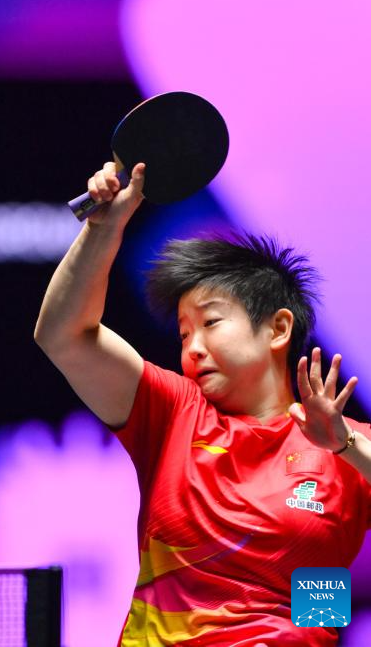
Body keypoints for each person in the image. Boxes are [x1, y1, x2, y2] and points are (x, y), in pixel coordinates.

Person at [33, 161, 371, 646]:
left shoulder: (345, 445)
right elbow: (64, 335)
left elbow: (318, 599)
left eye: (210, 323)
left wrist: (344, 447)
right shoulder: (173, 412)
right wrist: (102, 229)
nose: (191, 348)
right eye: (183, 333)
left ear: (277, 328)